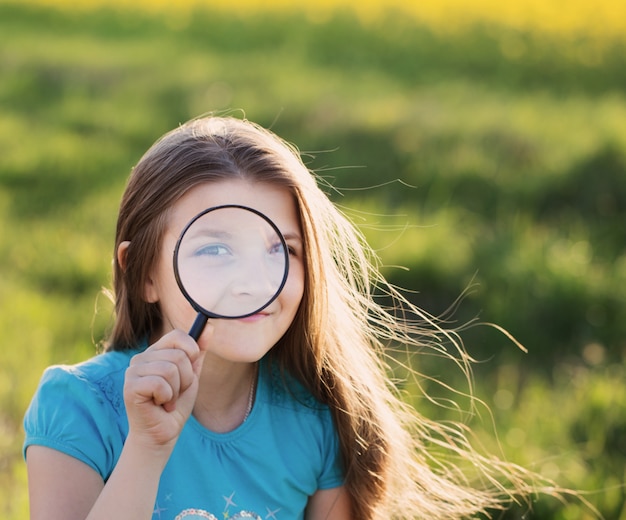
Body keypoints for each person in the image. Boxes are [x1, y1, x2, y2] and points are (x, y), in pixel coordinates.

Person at [24, 115, 552, 519]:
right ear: (144, 274)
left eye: (281, 250)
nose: (252, 282)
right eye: (213, 251)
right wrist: (146, 448)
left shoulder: (319, 421)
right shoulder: (78, 411)